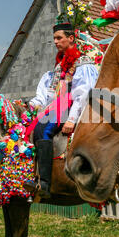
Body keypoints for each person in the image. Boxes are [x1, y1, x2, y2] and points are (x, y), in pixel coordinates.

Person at [23, 22, 99, 198]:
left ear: (71, 38)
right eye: (54, 39)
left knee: (43, 129)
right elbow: (48, 94)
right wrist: (31, 106)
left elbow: (83, 94)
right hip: (59, 106)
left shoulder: (83, 63)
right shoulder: (59, 67)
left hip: (77, 107)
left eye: (59, 38)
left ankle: (44, 183)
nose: (56, 42)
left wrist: (72, 119)